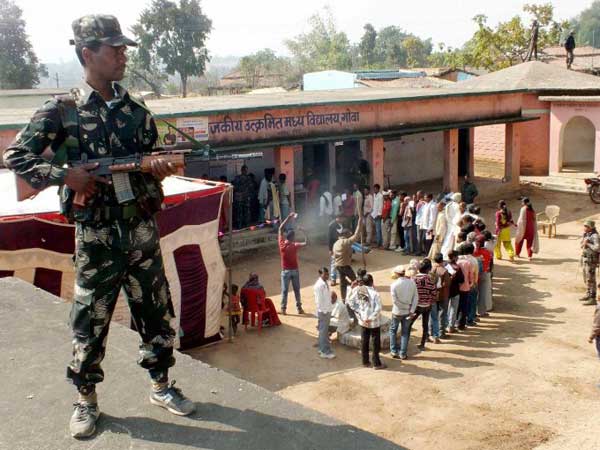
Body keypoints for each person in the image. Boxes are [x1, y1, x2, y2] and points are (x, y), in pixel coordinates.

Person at [2, 14, 194, 438]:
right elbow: (16, 156)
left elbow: (150, 158)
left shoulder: (136, 110)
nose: (123, 55)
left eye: (124, 48)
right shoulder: (63, 110)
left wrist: (158, 168)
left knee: (156, 312)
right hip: (96, 236)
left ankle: (161, 384)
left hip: (141, 232)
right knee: (90, 319)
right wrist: (65, 177)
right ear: (88, 54)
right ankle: (85, 399)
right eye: (115, 48)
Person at [346, 274, 385, 369]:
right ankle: (376, 363)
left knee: (365, 341)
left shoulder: (357, 290)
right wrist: (370, 318)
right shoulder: (375, 294)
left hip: (362, 321)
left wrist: (359, 314)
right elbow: (378, 308)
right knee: (375, 343)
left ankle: (365, 361)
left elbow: (350, 302)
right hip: (373, 323)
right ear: (372, 282)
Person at [278, 213, 307, 315]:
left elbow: (280, 228)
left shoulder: (281, 244)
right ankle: (299, 308)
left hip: (285, 271)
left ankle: (283, 309)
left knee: (284, 291)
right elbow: (306, 242)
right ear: (293, 238)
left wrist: (288, 218)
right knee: (296, 290)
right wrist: (304, 232)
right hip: (294, 270)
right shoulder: (295, 245)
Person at [390, 265, 419, 359]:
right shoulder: (412, 283)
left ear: (397, 274)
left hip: (397, 312)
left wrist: (405, 308)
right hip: (408, 312)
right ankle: (403, 353)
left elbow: (395, 301)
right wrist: (411, 310)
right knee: (405, 333)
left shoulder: (394, 285)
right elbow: (416, 298)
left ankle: (394, 351)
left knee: (393, 331)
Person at [333, 216, 363, 302]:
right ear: (346, 235)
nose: (350, 236)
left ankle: (343, 299)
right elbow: (356, 235)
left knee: (342, 283)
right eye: (349, 234)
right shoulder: (346, 242)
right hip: (345, 265)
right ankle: (360, 297)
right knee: (356, 281)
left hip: (338, 265)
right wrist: (359, 224)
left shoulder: (336, 243)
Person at [410, 259, 437, 351]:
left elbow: (411, 292)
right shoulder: (430, 279)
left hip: (416, 305)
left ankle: (405, 341)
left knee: (409, 323)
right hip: (427, 305)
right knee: (425, 325)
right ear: (428, 269)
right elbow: (433, 292)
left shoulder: (414, 279)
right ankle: (422, 344)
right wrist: (431, 300)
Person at [313, 267, 337, 359]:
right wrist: (324, 311)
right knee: (324, 332)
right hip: (324, 311)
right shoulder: (319, 285)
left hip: (326, 310)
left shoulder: (325, 283)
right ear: (320, 274)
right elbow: (318, 301)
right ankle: (325, 351)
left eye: (327, 274)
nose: (327, 276)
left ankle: (321, 348)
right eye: (325, 274)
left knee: (323, 331)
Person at [431, 253, 450, 341]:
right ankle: (441, 332)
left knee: (433, 315)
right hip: (443, 294)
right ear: (442, 260)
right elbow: (447, 284)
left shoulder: (431, 270)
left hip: (433, 295)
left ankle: (432, 332)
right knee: (442, 314)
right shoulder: (444, 271)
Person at [581, 220, 600, 306]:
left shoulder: (595, 236)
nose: (584, 228)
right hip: (586, 258)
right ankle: (588, 294)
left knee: (591, 279)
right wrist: (583, 244)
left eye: (586, 226)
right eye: (584, 226)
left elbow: (597, 248)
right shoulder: (586, 234)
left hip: (592, 260)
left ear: (590, 227)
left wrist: (588, 244)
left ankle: (593, 298)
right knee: (586, 278)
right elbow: (582, 243)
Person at [446, 250, 465, 333]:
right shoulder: (457, 267)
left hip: (445, 291)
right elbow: (461, 280)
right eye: (457, 257)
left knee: (444, 309)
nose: (457, 258)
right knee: (453, 309)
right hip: (455, 291)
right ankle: (450, 326)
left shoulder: (444, 265)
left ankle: (443, 326)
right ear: (454, 257)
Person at [456, 244, 474, 330]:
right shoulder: (468, 263)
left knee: (456, 306)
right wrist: (471, 283)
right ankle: (461, 325)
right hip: (466, 287)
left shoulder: (456, 262)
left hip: (456, 288)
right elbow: (471, 276)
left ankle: (453, 323)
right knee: (464, 307)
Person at [474, 235, 493, 316]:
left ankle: (473, 312)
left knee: (474, 294)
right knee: (482, 294)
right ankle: (481, 311)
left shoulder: (474, 252)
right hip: (483, 274)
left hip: (474, 274)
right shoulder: (487, 252)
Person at [441, 193, 462, 258]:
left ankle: (444, 254)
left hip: (449, 224)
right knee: (456, 241)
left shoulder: (448, 205)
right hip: (455, 225)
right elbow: (458, 216)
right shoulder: (457, 206)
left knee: (447, 240)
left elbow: (446, 215)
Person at [328, 215, 344, 286]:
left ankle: (342, 279)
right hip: (334, 247)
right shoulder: (331, 225)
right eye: (340, 217)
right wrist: (330, 249)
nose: (341, 219)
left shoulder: (342, 224)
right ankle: (333, 279)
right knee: (334, 263)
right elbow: (329, 238)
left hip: (341, 246)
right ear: (336, 218)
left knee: (342, 263)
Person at [371, 184, 384, 248]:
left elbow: (380, 206)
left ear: (378, 189)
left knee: (378, 230)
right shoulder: (374, 195)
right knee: (376, 230)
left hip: (378, 215)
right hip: (374, 214)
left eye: (376, 188)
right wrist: (373, 213)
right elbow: (374, 206)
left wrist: (379, 214)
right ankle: (378, 242)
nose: (374, 190)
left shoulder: (380, 196)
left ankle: (379, 243)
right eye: (374, 188)